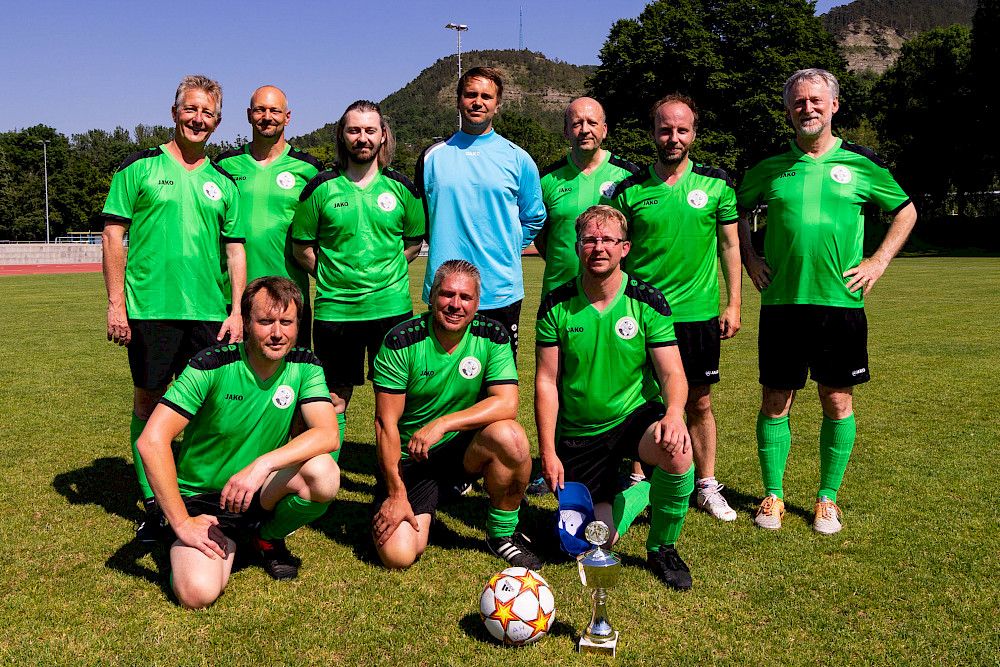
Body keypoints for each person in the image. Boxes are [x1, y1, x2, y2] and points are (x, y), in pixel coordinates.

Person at [736, 69, 917, 534]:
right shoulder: (770, 166)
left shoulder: (861, 163)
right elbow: (731, 209)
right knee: (776, 399)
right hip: (782, 303)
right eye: (799, 102)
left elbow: (906, 210)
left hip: (840, 304)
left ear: (834, 105)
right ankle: (773, 495)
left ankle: (827, 498)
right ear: (788, 109)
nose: (808, 108)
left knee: (836, 399)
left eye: (817, 100)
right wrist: (750, 256)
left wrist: (877, 262)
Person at [137, 277, 341, 608]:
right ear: (246, 322)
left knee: (324, 473)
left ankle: (267, 537)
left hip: (258, 490)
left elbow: (327, 434)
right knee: (197, 594)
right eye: (265, 322)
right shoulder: (210, 364)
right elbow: (152, 440)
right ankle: (206, 539)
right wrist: (182, 522)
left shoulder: (305, 364)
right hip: (204, 502)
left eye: (286, 322)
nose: (277, 333)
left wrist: (261, 465)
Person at [102, 75, 246, 541]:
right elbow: (113, 237)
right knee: (149, 399)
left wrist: (238, 310)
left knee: (206, 407)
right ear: (174, 111)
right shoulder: (138, 168)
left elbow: (235, 250)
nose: (198, 118)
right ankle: (153, 504)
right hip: (151, 310)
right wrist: (115, 305)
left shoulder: (223, 181)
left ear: (218, 121)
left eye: (207, 113)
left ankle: (191, 490)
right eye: (190, 109)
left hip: (208, 312)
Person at [534, 205, 695, 590]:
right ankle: (638, 491)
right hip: (579, 432)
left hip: (632, 418)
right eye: (590, 239)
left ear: (625, 247)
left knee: (678, 449)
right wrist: (548, 451)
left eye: (608, 240)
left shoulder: (647, 302)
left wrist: (673, 413)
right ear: (577, 247)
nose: (598, 247)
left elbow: (672, 372)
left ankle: (662, 547)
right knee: (593, 541)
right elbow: (546, 382)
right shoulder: (555, 305)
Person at [608, 94, 742, 521]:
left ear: (694, 133)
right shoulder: (628, 191)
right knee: (638, 401)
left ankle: (705, 484)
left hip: (697, 315)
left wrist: (734, 302)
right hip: (641, 316)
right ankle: (639, 481)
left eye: (682, 130)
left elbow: (730, 246)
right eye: (665, 129)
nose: (673, 137)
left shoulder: (716, 183)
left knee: (699, 402)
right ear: (653, 134)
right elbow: (615, 254)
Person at [371, 259, 539, 571]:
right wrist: (396, 494)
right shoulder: (401, 341)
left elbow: (507, 404)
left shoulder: (492, 335)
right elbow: (385, 425)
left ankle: (501, 536)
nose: (455, 305)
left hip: (463, 452)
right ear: (431, 295)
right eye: (447, 295)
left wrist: (443, 423)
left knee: (511, 437)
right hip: (412, 457)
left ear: (478, 303)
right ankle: (424, 499)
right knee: (399, 555)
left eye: (465, 297)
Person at [292, 100, 425, 457]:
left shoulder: (402, 188)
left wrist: (387, 272)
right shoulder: (320, 188)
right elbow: (302, 247)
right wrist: (333, 275)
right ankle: (327, 476)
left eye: (369, 130)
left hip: (391, 310)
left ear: (383, 136)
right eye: (354, 130)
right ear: (342, 134)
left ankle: (396, 479)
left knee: (395, 399)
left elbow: (413, 243)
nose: (362, 138)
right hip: (336, 313)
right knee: (334, 397)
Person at [527, 96, 641, 497]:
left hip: (615, 299)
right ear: (566, 131)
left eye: (592, 122)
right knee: (556, 382)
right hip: (561, 298)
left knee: (623, 380)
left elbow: (636, 233)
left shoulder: (628, 176)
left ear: (605, 129)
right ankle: (551, 462)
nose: (584, 129)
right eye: (576, 123)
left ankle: (632, 467)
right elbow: (542, 235)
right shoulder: (548, 179)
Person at [416, 66, 545, 361]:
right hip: (445, 291)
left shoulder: (518, 158)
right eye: (471, 94)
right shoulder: (432, 157)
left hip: (500, 289)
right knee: (444, 385)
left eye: (486, 96)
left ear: (497, 105)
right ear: (459, 100)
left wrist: (507, 245)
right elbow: (423, 216)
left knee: (500, 388)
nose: (478, 102)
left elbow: (534, 216)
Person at [215, 85, 322, 348]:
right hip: (234, 298)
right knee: (234, 379)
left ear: (287, 117)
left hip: (290, 296)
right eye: (260, 110)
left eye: (275, 110)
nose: (267, 116)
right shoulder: (224, 165)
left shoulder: (309, 168)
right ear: (249, 115)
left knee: (289, 378)